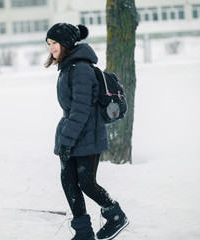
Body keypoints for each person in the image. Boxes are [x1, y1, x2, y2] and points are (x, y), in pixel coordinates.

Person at [45, 23, 129, 240]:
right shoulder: (67, 67)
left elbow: (81, 109)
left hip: (87, 134)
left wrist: (66, 140)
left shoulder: (81, 68)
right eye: (49, 44)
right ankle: (83, 232)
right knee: (69, 181)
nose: (51, 48)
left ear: (66, 43)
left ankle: (115, 215)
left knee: (87, 183)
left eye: (55, 43)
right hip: (73, 132)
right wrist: (66, 138)